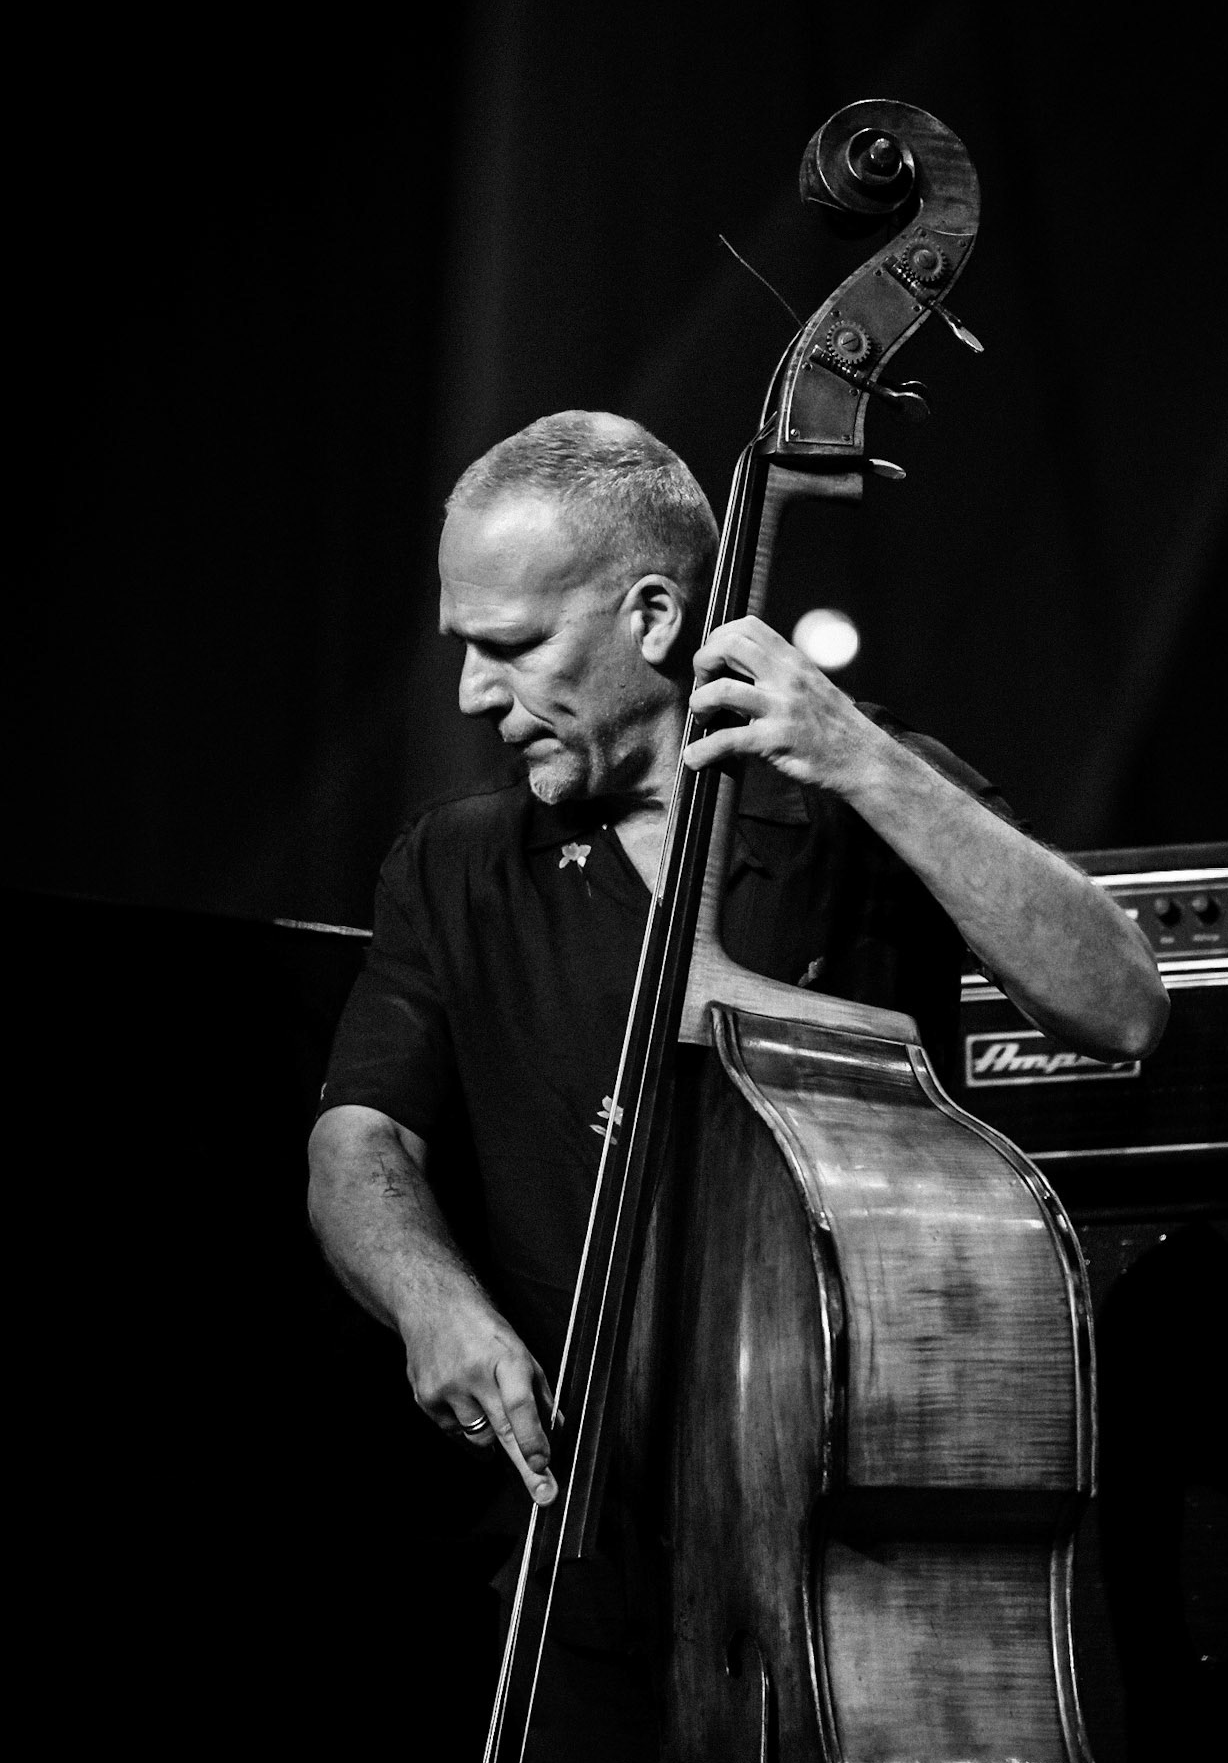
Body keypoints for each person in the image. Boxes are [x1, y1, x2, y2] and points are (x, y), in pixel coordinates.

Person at [308, 409, 1168, 1516]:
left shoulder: (867, 793)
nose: (474, 691)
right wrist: (433, 1302)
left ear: (653, 615)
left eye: (513, 645)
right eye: (463, 646)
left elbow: (1124, 1007)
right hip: (579, 1516)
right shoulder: (452, 865)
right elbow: (356, 1138)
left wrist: (863, 759)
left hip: (849, 1502)